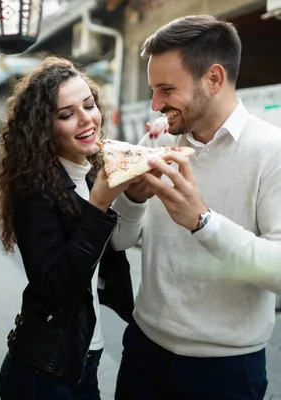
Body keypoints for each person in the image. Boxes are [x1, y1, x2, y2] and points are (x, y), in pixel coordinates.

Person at [111, 15, 281, 400]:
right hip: (144, 350)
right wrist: (133, 199)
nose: (155, 105)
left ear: (214, 79)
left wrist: (202, 222)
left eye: (166, 89)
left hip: (227, 369)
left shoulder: (272, 150)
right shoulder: (155, 142)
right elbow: (121, 241)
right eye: (154, 90)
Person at [0, 56, 135, 399]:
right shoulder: (34, 190)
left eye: (89, 105)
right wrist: (99, 206)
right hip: (43, 370)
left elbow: (118, 244)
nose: (87, 119)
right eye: (67, 114)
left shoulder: (90, 173)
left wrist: (136, 200)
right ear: (45, 128)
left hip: (86, 357)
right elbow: (56, 288)